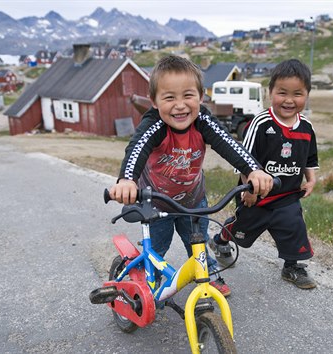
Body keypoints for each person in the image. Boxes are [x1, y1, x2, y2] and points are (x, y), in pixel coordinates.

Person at [109, 55, 274, 297]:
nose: (180, 105)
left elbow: (228, 144)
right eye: (169, 97)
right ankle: (147, 283)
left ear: (201, 97)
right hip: (155, 204)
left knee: (197, 244)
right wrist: (126, 180)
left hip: (193, 201)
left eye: (188, 95)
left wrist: (253, 169)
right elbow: (137, 148)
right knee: (157, 251)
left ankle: (208, 274)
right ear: (154, 101)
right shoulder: (154, 124)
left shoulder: (203, 120)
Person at [208, 59, 319, 289]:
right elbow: (243, 159)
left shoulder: (307, 128)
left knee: (294, 227)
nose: (289, 100)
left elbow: (310, 157)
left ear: (307, 94)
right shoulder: (260, 123)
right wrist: (248, 190)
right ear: (270, 93)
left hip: (288, 196)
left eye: (297, 94)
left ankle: (292, 266)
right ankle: (220, 240)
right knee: (241, 227)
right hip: (256, 196)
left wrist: (311, 179)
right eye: (282, 93)